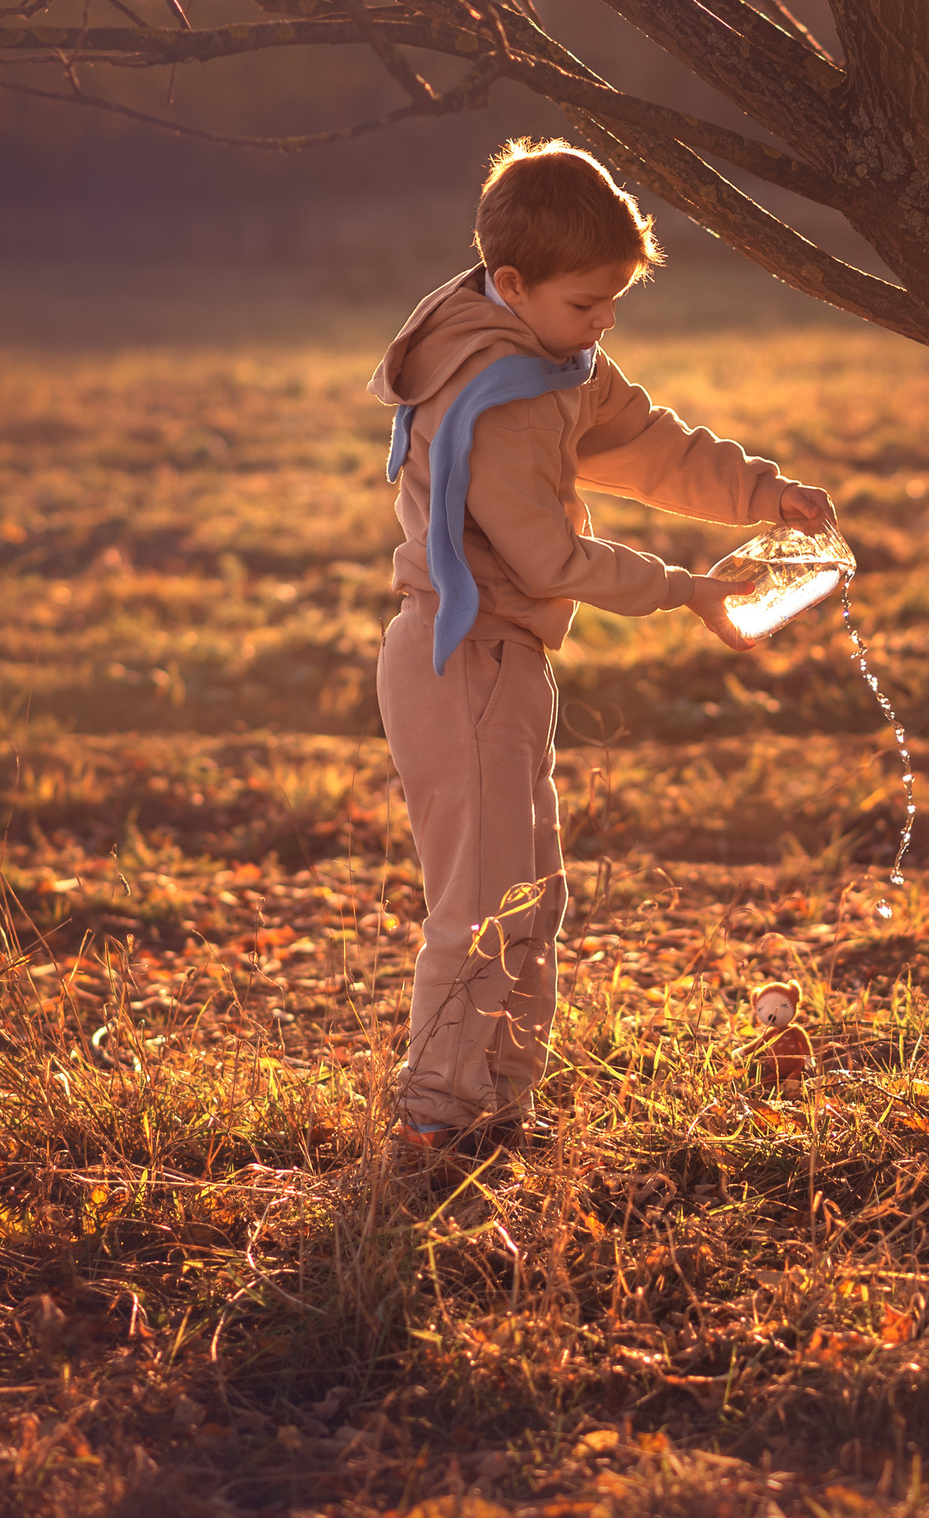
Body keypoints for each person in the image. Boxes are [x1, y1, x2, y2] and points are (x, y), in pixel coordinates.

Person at [368, 137, 834, 1153]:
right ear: (511, 282)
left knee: (534, 891)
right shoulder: (500, 396)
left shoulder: (552, 356)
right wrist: (685, 590)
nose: (605, 322)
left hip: (503, 662)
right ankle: (434, 1116)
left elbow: (647, 443)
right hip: (465, 659)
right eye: (588, 303)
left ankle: (499, 1102)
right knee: (483, 903)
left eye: (616, 299)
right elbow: (547, 557)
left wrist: (762, 493)